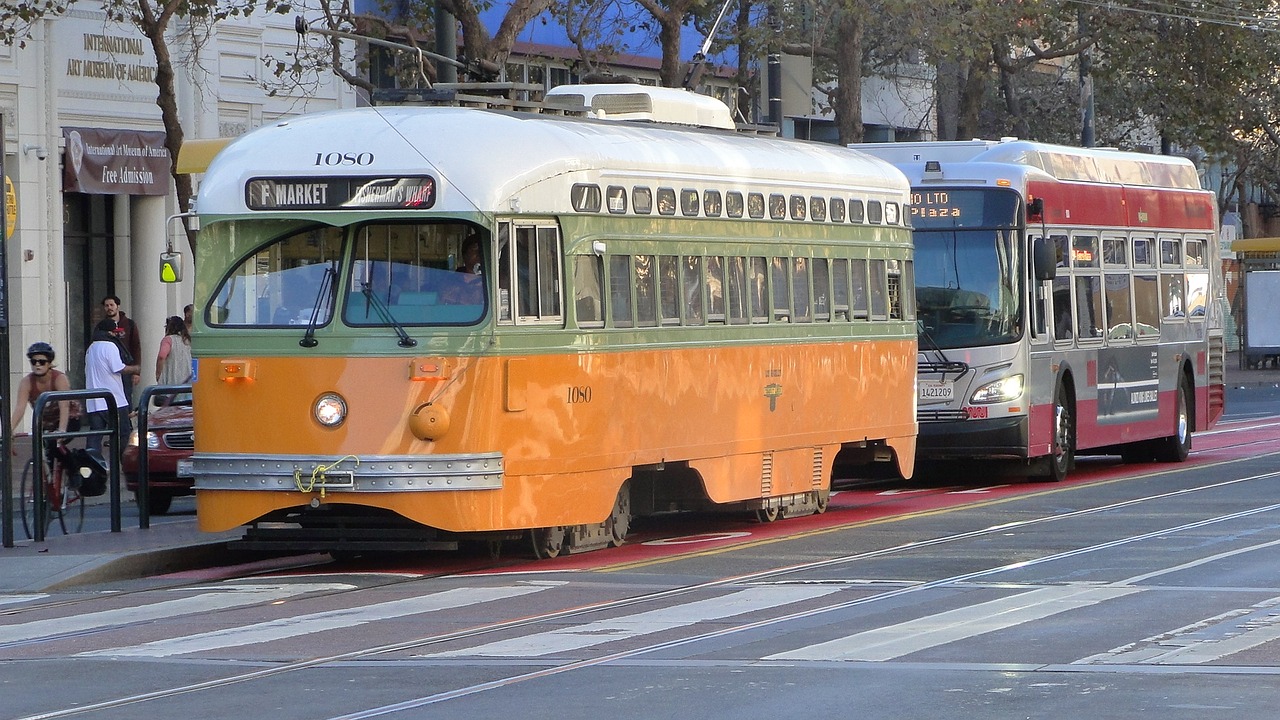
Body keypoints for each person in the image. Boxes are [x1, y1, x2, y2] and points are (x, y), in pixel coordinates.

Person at [9, 342, 78, 464]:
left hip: (68, 419)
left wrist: (61, 430)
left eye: (42, 362)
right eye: (33, 362)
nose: (37, 365)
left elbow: (64, 406)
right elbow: (20, 408)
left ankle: (74, 471)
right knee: (43, 455)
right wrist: (9, 431)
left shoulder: (59, 379)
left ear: (49, 363)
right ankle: (45, 481)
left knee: (53, 445)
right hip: (46, 423)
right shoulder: (27, 382)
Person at [84, 326, 140, 461]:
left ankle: (92, 463)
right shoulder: (110, 346)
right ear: (109, 332)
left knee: (95, 435)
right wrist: (135, 368)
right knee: (123, 434)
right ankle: (122, 462)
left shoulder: (91, 348)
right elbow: (118, 367)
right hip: (114, 400)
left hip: (94, 401)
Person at [99, 295, 142, 399]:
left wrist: (136, 372)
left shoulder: (129, 324)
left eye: (111, 305)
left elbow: (136, 347)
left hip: (126, 368)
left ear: (118, 306)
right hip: (108, 370)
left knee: (126, 397)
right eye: (106, 306)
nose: (109, 308)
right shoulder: (101, 326)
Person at [155, 315, 193, 385]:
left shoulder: (168, 340)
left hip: (171, 383)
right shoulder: (189, 341)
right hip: (187, 383)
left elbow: (161, 356)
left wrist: (158, 374)